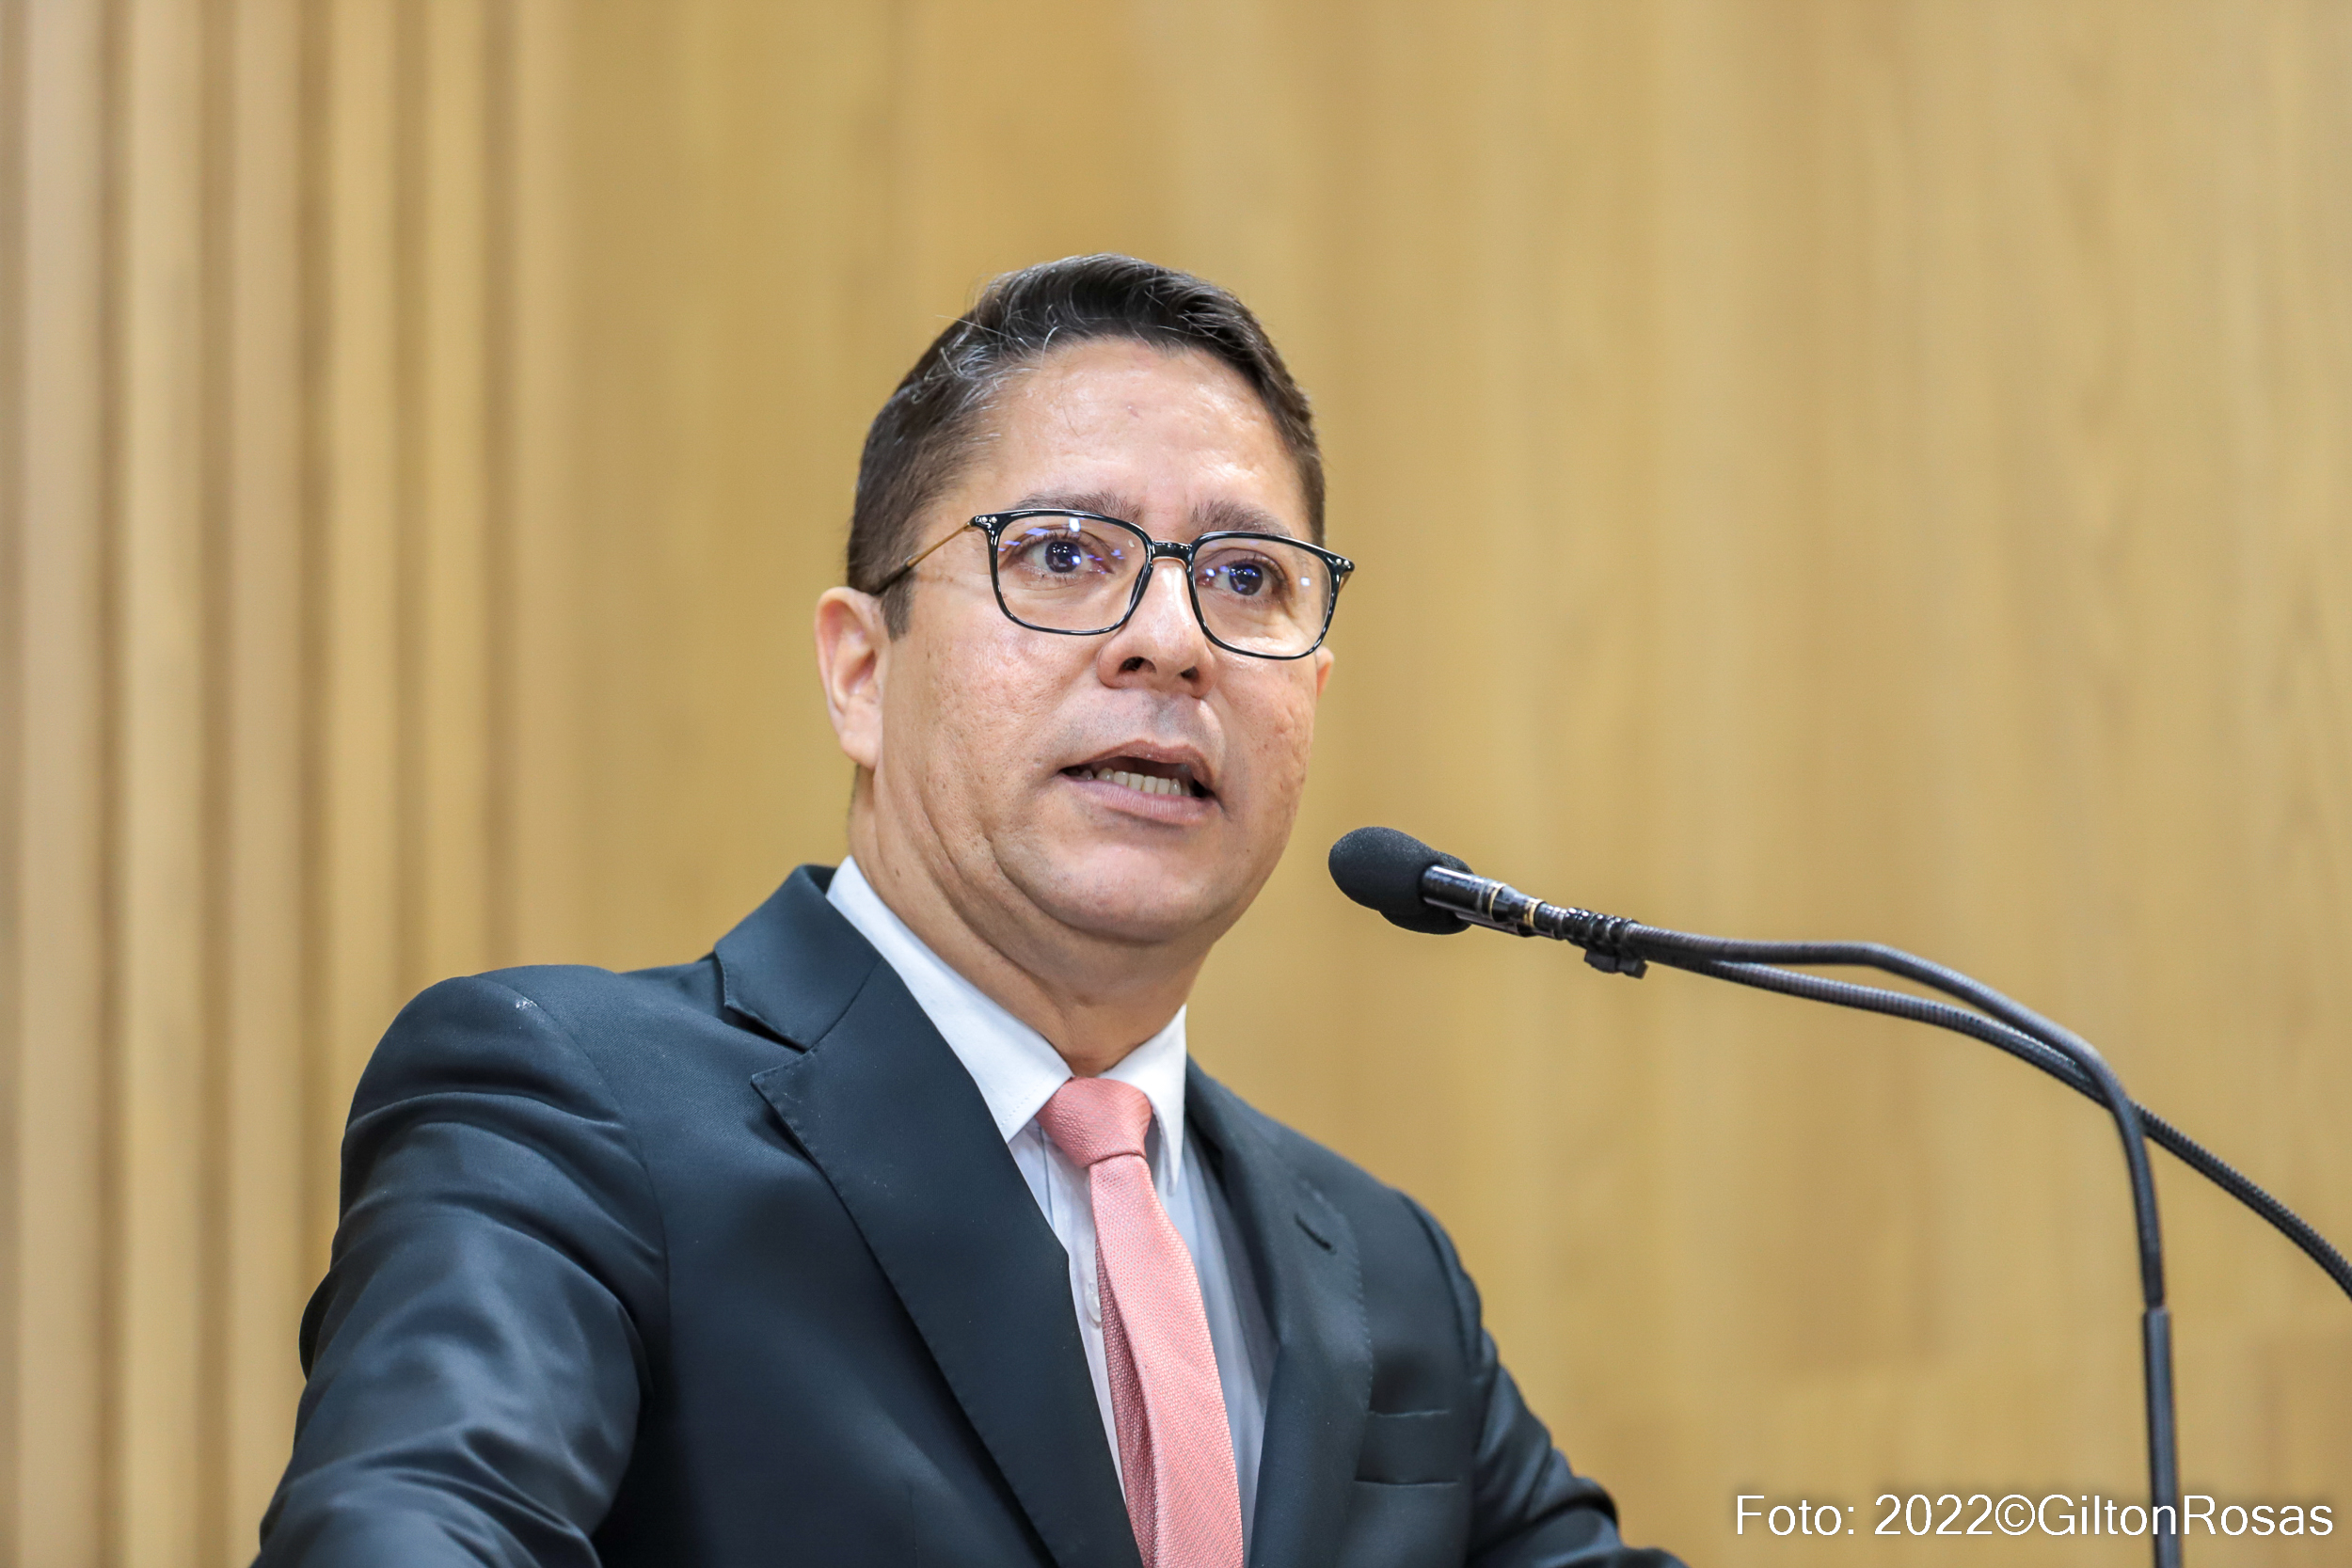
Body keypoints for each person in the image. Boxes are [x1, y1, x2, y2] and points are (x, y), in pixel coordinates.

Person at [258, 255, 1682, 1568]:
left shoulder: (1382, 1268)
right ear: (861, 674)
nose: (1172, 641)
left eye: (1247, 579)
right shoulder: (572, 1111)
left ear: (1310, 692)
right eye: (1062, 552)